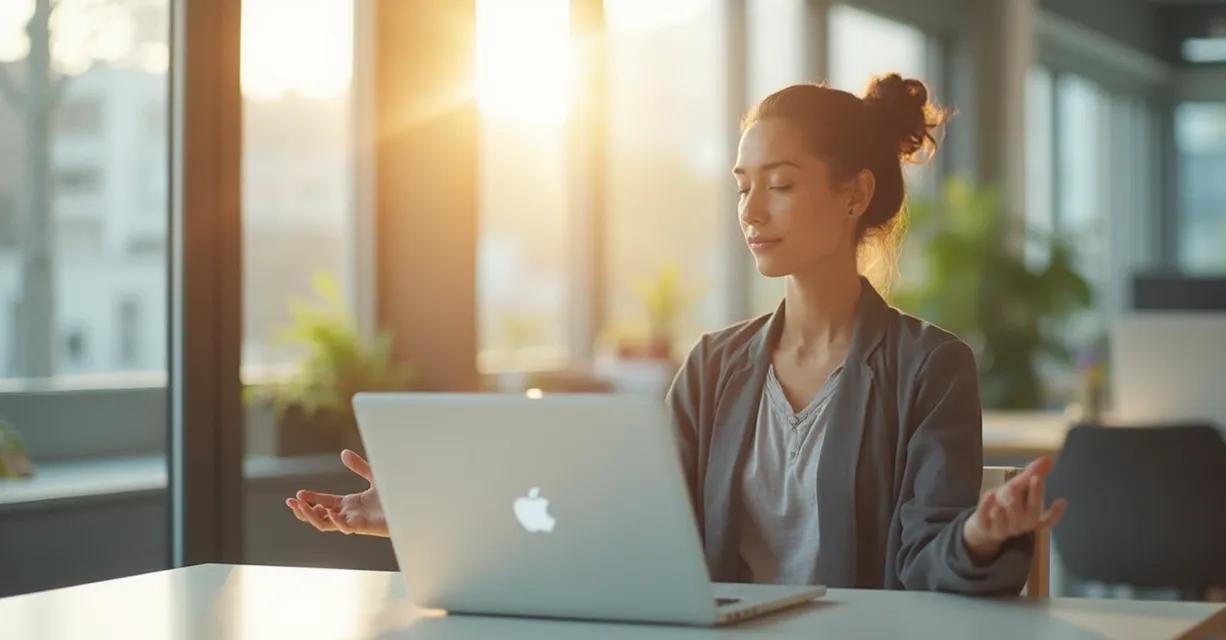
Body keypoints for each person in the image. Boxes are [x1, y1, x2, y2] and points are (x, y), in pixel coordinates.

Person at [285, 74, 1067, 595]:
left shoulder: (930, 368)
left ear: (855, 194)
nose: (752, 212)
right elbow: (634, 530)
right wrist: (434, 513)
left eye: (782, 186)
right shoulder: (715, 366)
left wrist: (978, 534)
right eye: (743, 188)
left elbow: (926, 563)